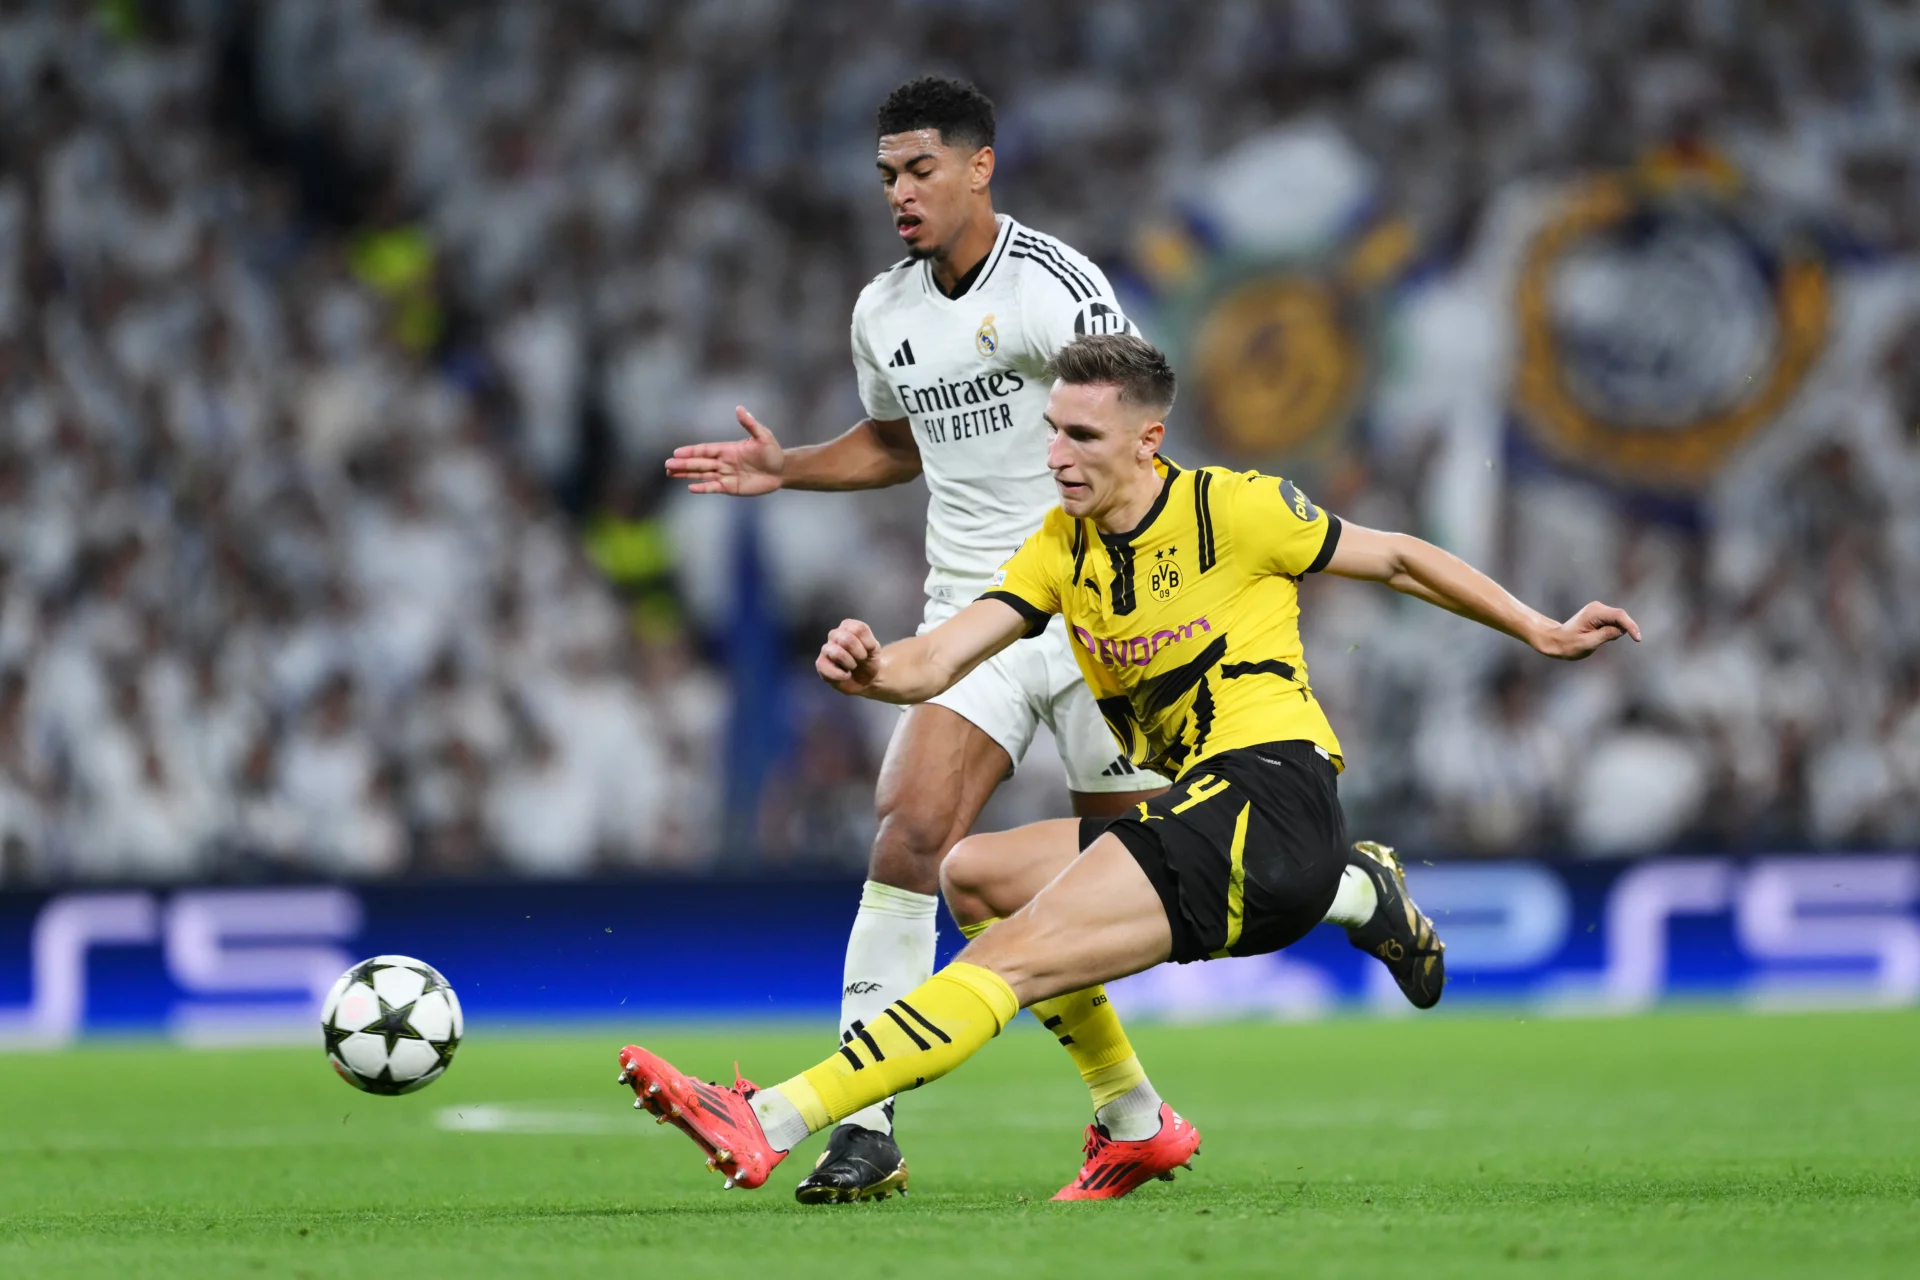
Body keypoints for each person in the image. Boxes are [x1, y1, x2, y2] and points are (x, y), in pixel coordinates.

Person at [620, 334, 1641, 1197]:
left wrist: (1539, 628)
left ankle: (769, 1113)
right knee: (974, 875)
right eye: (1051, 429)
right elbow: (938, 658)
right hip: (1209, 815)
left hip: (1268, 789)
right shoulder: (1058, 548)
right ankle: (1143, 1108)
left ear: (1148, 440)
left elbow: (1402, 556)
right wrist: (875, 666)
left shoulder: (1233, 509)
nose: (1056, 453)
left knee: (1007, 958)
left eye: (1082, 435)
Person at [663, 75, 1172, 1202]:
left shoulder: (1057, 288)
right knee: (907, 835)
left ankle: (1148, 1096)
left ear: (980, 166)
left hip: (1094, 606)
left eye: (920, 169)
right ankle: (867, 1123)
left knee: (1134, 879)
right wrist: (791, 465)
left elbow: (1139, 429)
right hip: (970, 613)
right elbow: (903, 442)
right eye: (887, 173)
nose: (898, 191)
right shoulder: (882, 309)